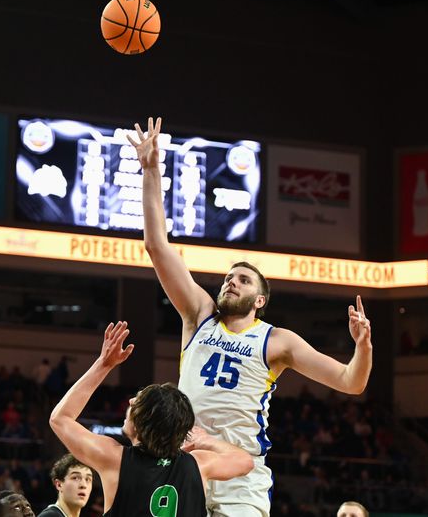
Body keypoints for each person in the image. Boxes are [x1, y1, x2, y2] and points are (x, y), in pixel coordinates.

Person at [127, 116, 374, 517]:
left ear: (260, 300)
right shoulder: (199, 314)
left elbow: (351, 382)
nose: (231, 282)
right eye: (228, 278)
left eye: (242, 280)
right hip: (184, 462)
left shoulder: (278, 341)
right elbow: (157, 246)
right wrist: (152, 170)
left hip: (241, 474)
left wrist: (363, 346)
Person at [49, 321, 254, 517]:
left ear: (141, 421)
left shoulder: (114, 459)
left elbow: (60, 418)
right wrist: (206, 441)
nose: (129, 401)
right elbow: (245, 461)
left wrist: (104, 364)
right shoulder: (199, 464)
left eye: (136, 402)